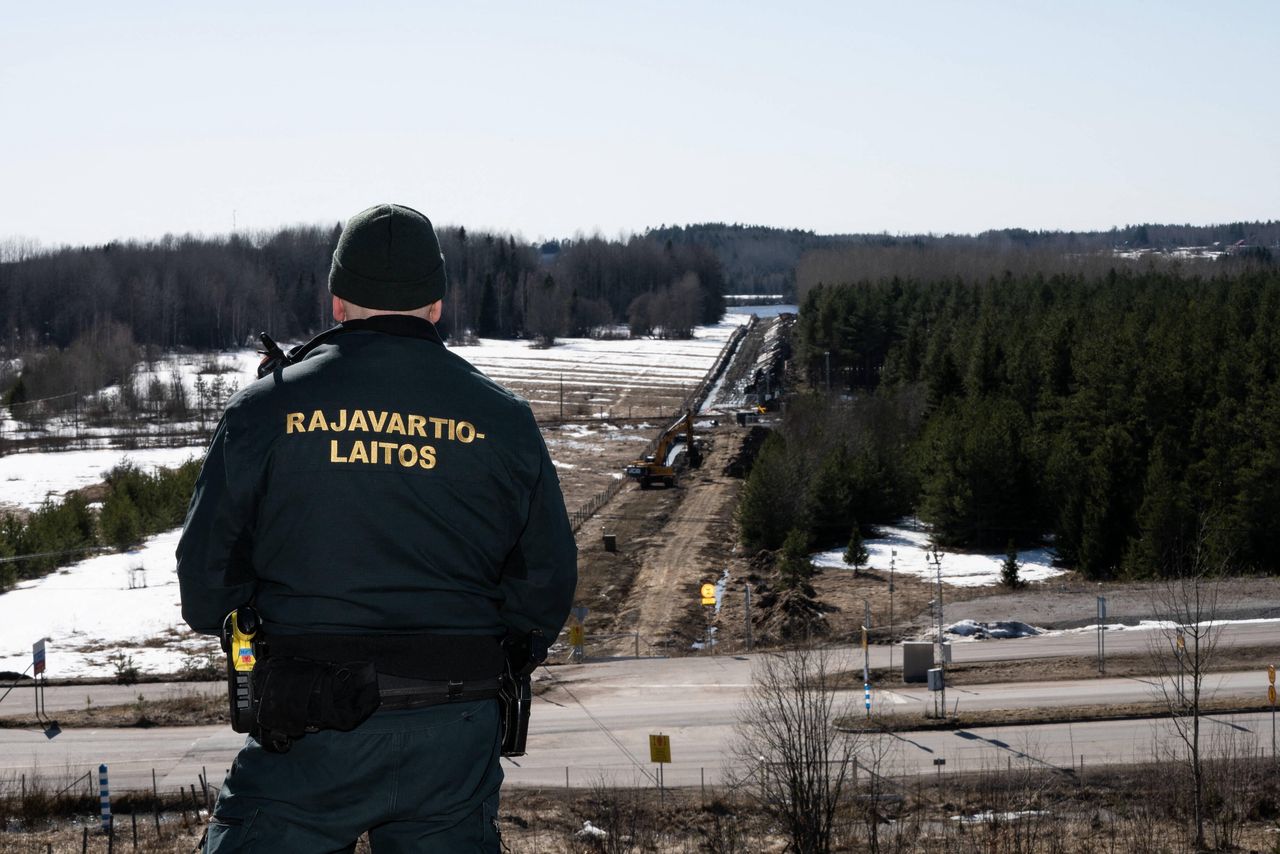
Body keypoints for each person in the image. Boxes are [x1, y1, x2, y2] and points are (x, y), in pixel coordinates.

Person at [177, 203, 577, 852]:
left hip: (306, 724)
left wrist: (253, 638)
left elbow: (204, 584)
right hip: (454, 725)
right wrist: (495, 658)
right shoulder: (503, 419)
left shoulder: (263, 410)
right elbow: (547, 583)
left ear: (338, 301)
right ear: (436, 306)